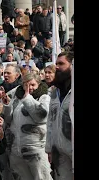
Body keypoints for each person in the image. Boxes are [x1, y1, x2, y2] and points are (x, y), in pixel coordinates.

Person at [1, 72, 52, 180]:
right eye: (26, 85)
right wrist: (7, 105)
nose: (29, 88)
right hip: (17, 149)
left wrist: (28, 99)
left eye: (32, 85)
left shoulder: (44, 97)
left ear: (38, 84)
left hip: (36, 149)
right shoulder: (17, 98)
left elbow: (41, 117)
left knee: (41, 177)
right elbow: (9, 119)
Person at [46, 52, 74, 180]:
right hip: (59, 152)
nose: (56, 67)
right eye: (56, 63)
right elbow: (50, 121)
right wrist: (49, 148)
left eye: (61, 64)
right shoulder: (54, 91)